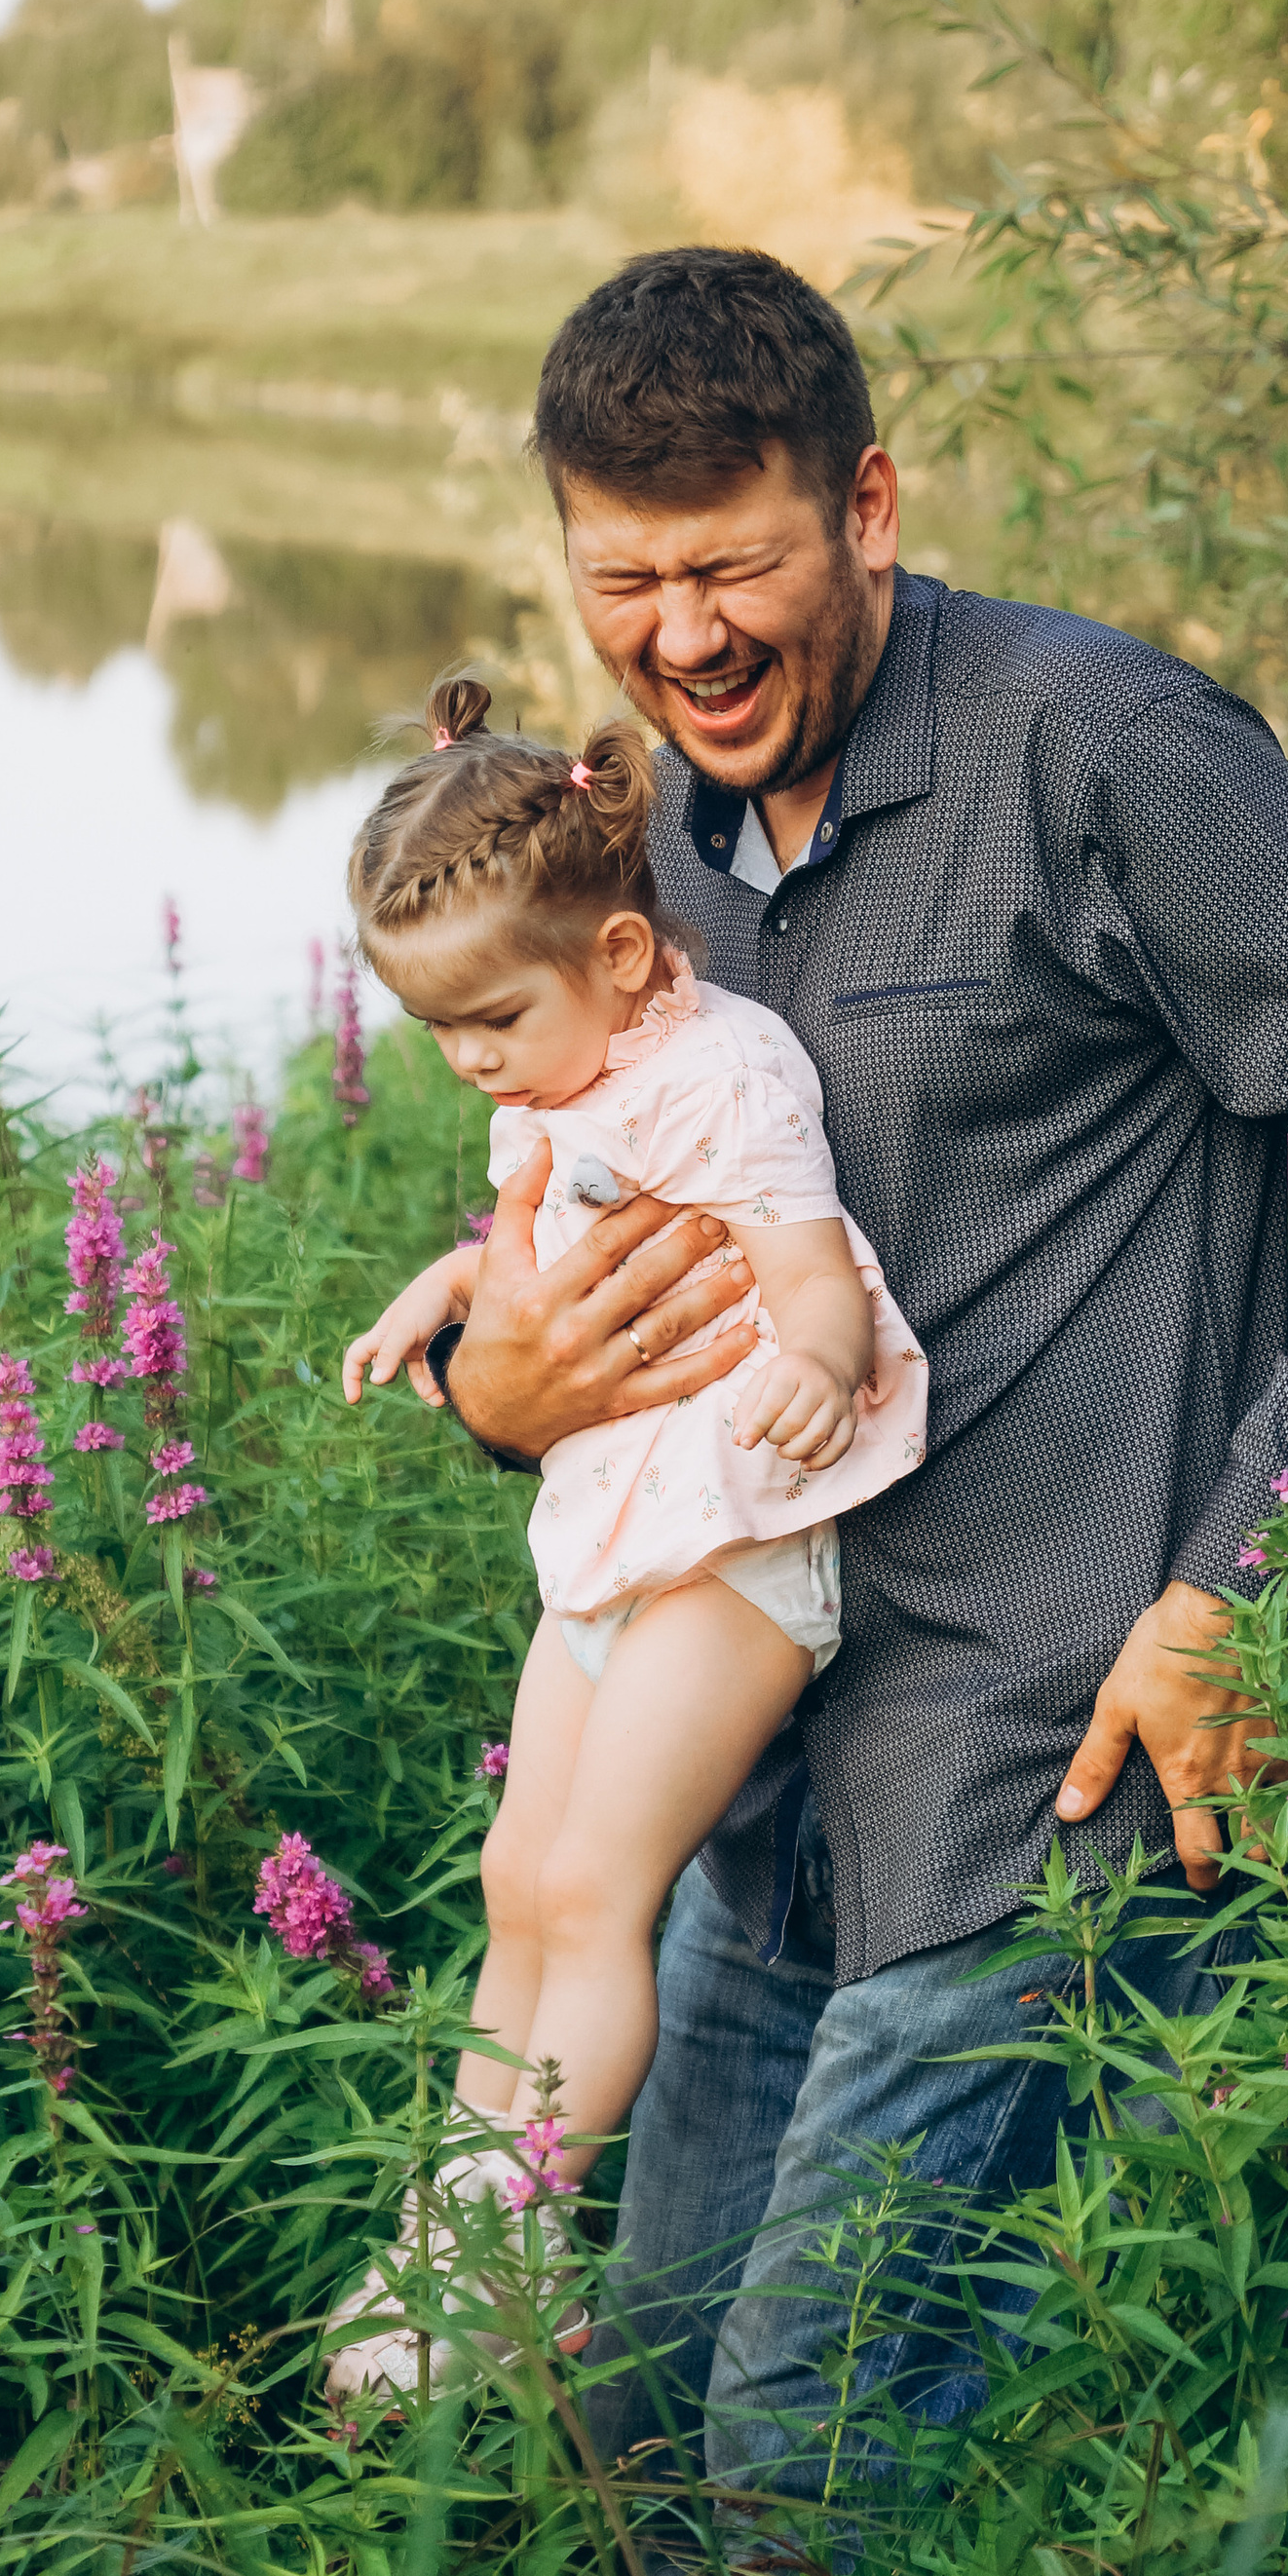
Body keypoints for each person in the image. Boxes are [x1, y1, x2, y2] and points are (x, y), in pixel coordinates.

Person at [406, 247, 1288, 2498]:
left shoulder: (1103, 751)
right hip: (748, 1772)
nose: (683, 634)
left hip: (1035, 1766)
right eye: (623, 579)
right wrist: (496, 1391)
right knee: (636, 2420)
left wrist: (1243, 1577)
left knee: (805, 2460)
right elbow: (580, 1209)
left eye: (733, 563)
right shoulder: (638, 838)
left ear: (865, 506)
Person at [328, 677, 928, 2388]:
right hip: (613, 1528)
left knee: (597, 1888)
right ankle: (444, 2230)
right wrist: (440, 1297)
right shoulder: (566, 1067)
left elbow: (812, 1274)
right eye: (439, 1035)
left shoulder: (729, 1073)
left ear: (624, 950)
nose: (469, 1066)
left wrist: (817, 1364)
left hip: (738, 1547)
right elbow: (535, 1222)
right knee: (520, 1872)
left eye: (489, 1024)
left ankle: (511, 2259)